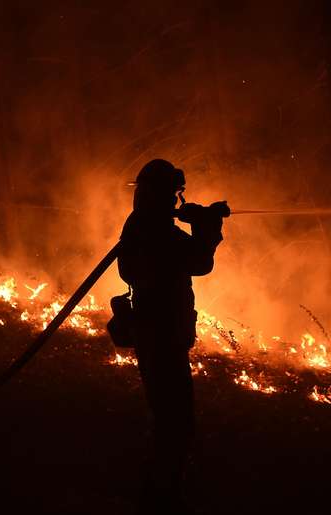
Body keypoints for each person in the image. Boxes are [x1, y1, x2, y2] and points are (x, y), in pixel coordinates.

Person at [117, 159, 225, 513]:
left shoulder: (139, 225)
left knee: (167, 417)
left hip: (153, 333)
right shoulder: (158, 232)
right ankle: (162, 497)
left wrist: (198, 221)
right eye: (175, 194)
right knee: (176, 422)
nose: (178, 201)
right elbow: (199, 262)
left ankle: (158, 491)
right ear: (162, 195)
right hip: (163, 337)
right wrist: (206, 226)